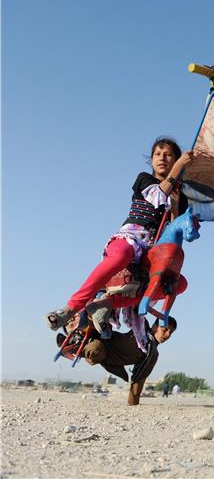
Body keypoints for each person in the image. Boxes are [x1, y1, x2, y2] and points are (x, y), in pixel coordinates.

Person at [45, 137, 196, 330]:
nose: (162, 158)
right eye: (157, 154)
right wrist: (179, 167)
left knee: (180, 283)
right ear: (151, 160)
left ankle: (107, 304)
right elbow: (158, 195)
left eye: (168, 155)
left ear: (174, 160)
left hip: (152, 250)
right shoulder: (144, 179)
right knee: (123, 253)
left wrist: (175, 207)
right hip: (130, 238)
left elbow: (175, 230)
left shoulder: (179, 197)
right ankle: (70, 309)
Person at [71, 316, 177, 406]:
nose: (168, 335)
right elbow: (132, 308)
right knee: (94, 343)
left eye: (171, 332)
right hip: (103, 338)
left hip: (102, 355)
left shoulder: (152, 354)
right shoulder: (142, 326)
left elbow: (138, 381)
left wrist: (133, 405)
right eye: (165, 330)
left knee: (95, 351)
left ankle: (75, 345)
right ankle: (73, 338)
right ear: (155, 327)